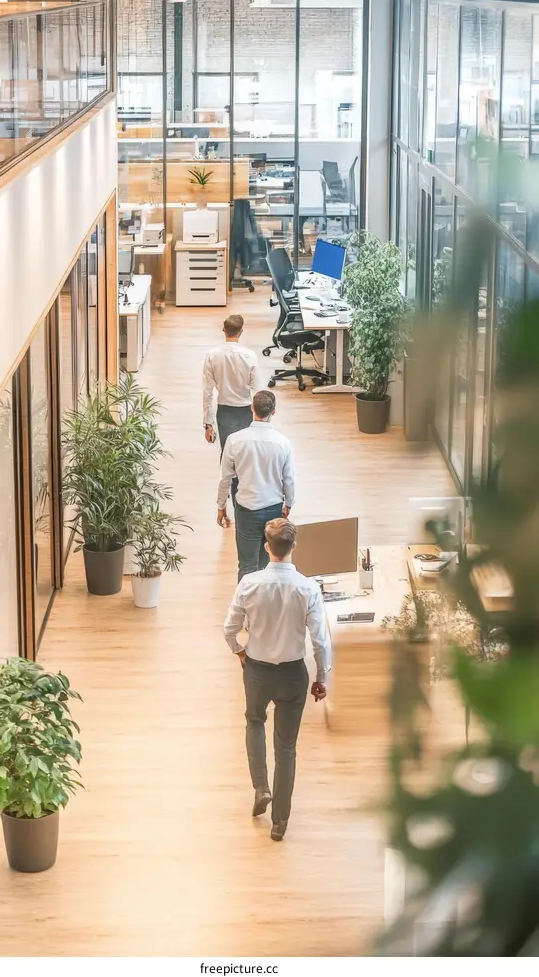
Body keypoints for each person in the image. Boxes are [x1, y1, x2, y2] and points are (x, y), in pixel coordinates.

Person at [223, 517, 331, 841]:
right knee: (286, 747)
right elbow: (320, 641)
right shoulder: (308, 588)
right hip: (292, 674)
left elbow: (229, 628)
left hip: (257, 670)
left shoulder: (249, 584)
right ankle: (279, 822)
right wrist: (321, 677)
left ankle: (261, 787)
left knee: (254, 722)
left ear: (266, 547)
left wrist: (239, 652)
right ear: (294, 547)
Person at [217, 389, 295, 581]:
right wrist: (289, 504)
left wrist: (221, 506)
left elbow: (225, 478)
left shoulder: (234, 440)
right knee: (269, 565)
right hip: (273, 508)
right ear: (273, 412)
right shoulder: (283, 443)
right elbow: (289, 479)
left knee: (246, 566)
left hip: (246, 510)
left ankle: (246, 606)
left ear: (252, 408)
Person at [203, 313, 258, 504]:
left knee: (227, 452)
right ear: (241, 332)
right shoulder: (250, 356)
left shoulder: (212, 356)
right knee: (246, 451)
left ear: (223, 330)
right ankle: (242, 492)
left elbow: (208, 393)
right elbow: (256, 389)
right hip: (246, 411)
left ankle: (225, 493)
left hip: (224, 410)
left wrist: (207, 423)